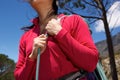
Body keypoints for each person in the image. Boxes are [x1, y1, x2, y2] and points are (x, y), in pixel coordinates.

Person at [14, 0, 99, 80]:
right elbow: (19, 77)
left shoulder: (74, 21)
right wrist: (32, 57)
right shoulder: (25, 37)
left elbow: (91, 63)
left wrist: (60, 33)